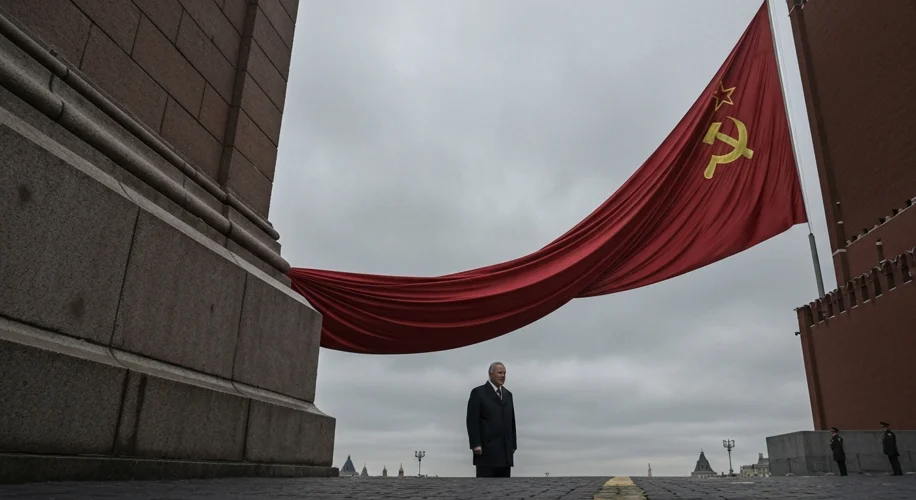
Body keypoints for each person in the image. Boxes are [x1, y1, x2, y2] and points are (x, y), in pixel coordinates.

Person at [466, 361, 517, 478]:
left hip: (506, 453)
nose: (503, 376)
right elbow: (472, 420)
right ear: (490, 374)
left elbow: (512, 421)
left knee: (505, 491)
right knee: (485, 491)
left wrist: (513, 445)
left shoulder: (508, 395)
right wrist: (475, 444)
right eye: (499, 373)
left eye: (504, 373)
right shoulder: (478, 393)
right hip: (486, 453)